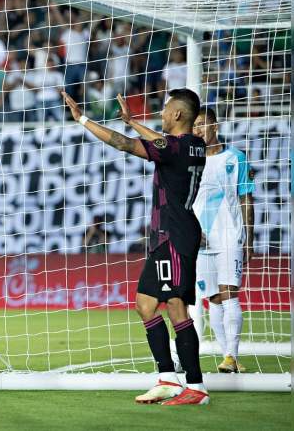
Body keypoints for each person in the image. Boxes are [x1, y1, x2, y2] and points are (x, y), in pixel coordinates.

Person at [62, 88, 209, 405]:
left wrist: (83, 119)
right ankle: (168, 379)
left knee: (175, 307)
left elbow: (124, 144)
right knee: (145, 303)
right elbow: (161, 141)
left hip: (174, 235)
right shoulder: (195, 144)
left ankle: (196, 387)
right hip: (166, 235)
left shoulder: (172, 147)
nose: (163, 112)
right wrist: (132, 120)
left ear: (179, 115)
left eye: (167, 108)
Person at [190, 108, 255, 374]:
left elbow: (246, 199)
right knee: (213, 298)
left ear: (215, 126)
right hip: (200, 239)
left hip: (229, 235)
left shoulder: (235, 158)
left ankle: (231, 355)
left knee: (229, 293)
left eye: (203, 124)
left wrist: (248, 239)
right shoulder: (190, 162)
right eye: (194, 126)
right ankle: (228, 357)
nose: (198, 130)